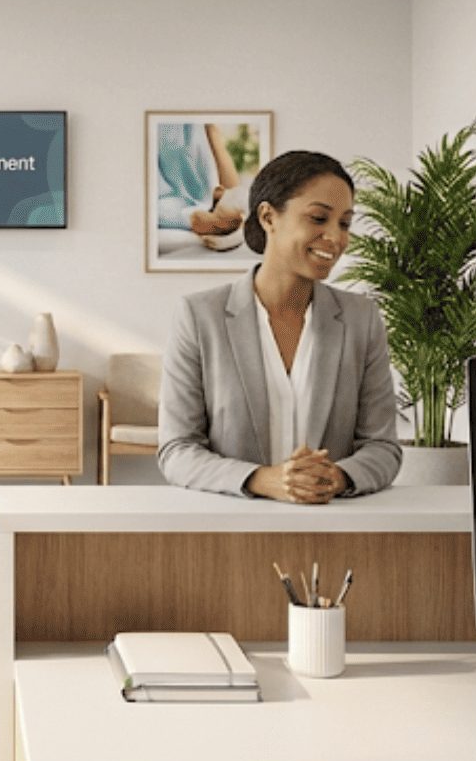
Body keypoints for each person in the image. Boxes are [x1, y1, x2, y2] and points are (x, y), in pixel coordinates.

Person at [156, 150, 401, 501]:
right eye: (319, 218)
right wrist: (262, 480)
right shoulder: (199, 316)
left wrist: (338, 477)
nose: (336, 238)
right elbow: (177, 449)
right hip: (233, 524)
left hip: (334, 523)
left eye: (345, 223)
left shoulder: (361, 319)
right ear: (268, 217)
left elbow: (382, 447)